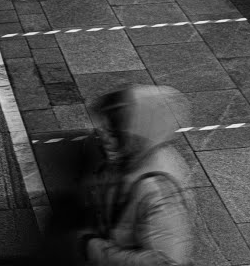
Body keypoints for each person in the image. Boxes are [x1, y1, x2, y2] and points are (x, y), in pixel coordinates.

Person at [77, 85, 195, 266]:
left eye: (114, 133)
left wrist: (97, 251)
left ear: (138, 136)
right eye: (103, 130)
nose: (104, 138)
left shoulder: (160, 191)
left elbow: (165, 262)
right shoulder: (129, 157)